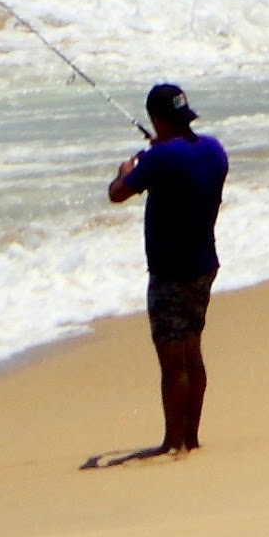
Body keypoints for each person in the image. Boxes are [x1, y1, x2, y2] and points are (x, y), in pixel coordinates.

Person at [105, 83, 227, 459]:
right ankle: (191, 435)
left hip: (170, 270)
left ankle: (173, 441)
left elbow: (117, 193)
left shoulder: (160, 158)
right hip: (204, 264)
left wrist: (127, 169)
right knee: (192, 348)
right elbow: (180, 169)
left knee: (173, 360)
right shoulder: (214, 150)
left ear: (156, 119)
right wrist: (158, 153)